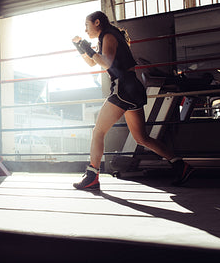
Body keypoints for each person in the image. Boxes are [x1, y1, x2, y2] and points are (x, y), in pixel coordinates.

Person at [71, 11, 194, 190]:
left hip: (123, 88)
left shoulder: (109, 35)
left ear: (97, 22)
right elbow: (92, 62)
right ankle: (180, 165)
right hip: (132, 88)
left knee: (98, 132)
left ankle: (91, 175)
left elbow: (106, 64)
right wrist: (80, 47)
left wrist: (85, 45)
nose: (85, 29)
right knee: (141, 138)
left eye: (87, 25)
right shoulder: (108, 36)